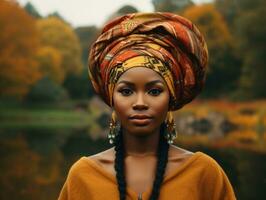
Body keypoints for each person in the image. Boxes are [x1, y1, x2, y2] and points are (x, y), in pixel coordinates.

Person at [58, 12, 236, 200]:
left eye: (154, 91)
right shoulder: (83, 176)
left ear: (171, 98)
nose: (140, 103)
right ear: (112, 98)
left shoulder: (203, 173)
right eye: (126, 92)